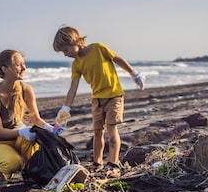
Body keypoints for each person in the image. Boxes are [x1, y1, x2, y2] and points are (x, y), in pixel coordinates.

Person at [53, 26, 145, 177]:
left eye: (66, 50)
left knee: (111, 128)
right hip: (97, 100)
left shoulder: (98, 48)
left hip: (114, 96)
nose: (65, 54)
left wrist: (134, 73)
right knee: (97, 132)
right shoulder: (77, 64)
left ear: (73, 41)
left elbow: (118, 59)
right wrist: (65, 109)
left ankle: (113, 164)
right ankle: (97, 163)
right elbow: (73, 88)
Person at [0, 49, 56, 184]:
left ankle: (30, 172)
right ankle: (1, 171)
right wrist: (22, 131)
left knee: (36, 154)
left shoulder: (26, 89)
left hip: (21, 139)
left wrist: (50, 128)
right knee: (13, 163)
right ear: (4, 69)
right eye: (18, 65)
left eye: (24, 64)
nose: (24, 68)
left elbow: (36, 119)